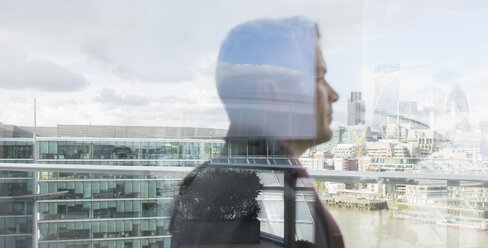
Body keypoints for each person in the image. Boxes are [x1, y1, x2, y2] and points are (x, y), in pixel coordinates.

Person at [171, 17, 344, 247]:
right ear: (271, 95)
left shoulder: (199, 183)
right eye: (318, 78)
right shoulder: (285, 201)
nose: (334, 94)